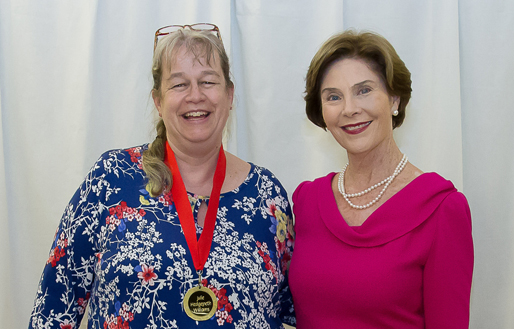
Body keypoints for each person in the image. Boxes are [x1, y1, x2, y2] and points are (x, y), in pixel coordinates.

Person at [29, 24, 295, 328]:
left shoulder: (266, 194)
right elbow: (53, 308)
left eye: (208, 81)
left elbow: (305, 304)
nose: (195, 96)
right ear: (158, 100)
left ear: (230, 94)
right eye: (179, 85)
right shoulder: (111, 178)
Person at [288, 29, 473, 328]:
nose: (350, 109)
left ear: (394, 99)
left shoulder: (442, 208)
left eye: (364, 90)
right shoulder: (307, 200)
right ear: (322, 112)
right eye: (334, 97)